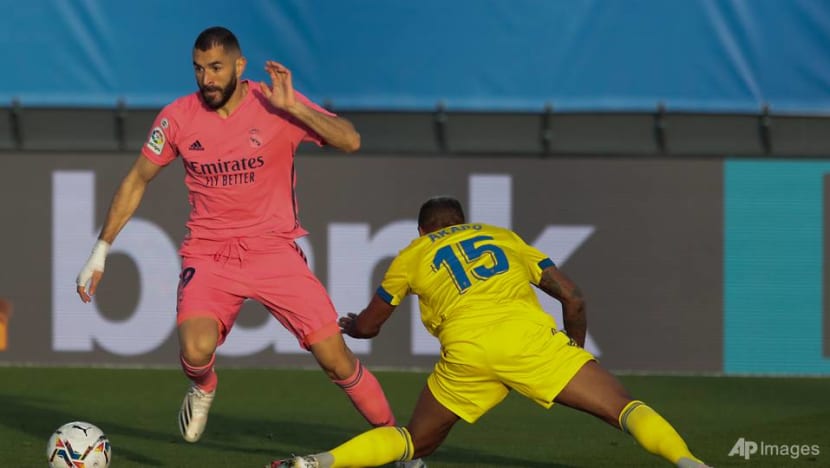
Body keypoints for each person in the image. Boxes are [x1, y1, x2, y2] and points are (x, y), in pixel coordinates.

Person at [75, 26, 401, 446]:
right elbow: (138, 179)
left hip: (273, 251)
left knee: (335, 360)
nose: (206, 79)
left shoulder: (275, 103)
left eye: (215, 68)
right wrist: (100, 250)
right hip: (210, 254)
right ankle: (204, 386)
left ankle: (399, 445)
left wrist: (296, 109)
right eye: (198, 69)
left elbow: (351, 140)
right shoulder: (177, 117)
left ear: (239, 66)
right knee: (195, 350)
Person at [269, 196, 711, 468]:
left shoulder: (412, 253)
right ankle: (688, 462)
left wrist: (356, 328)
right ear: (464, 221)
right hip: (530, 342)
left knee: (412, 442)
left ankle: (316, 462)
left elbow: (370, 324)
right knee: (625, 408)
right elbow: (573, 298)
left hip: (467, 353)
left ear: (423, 230)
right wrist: (571, 355)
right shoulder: (503, 237)